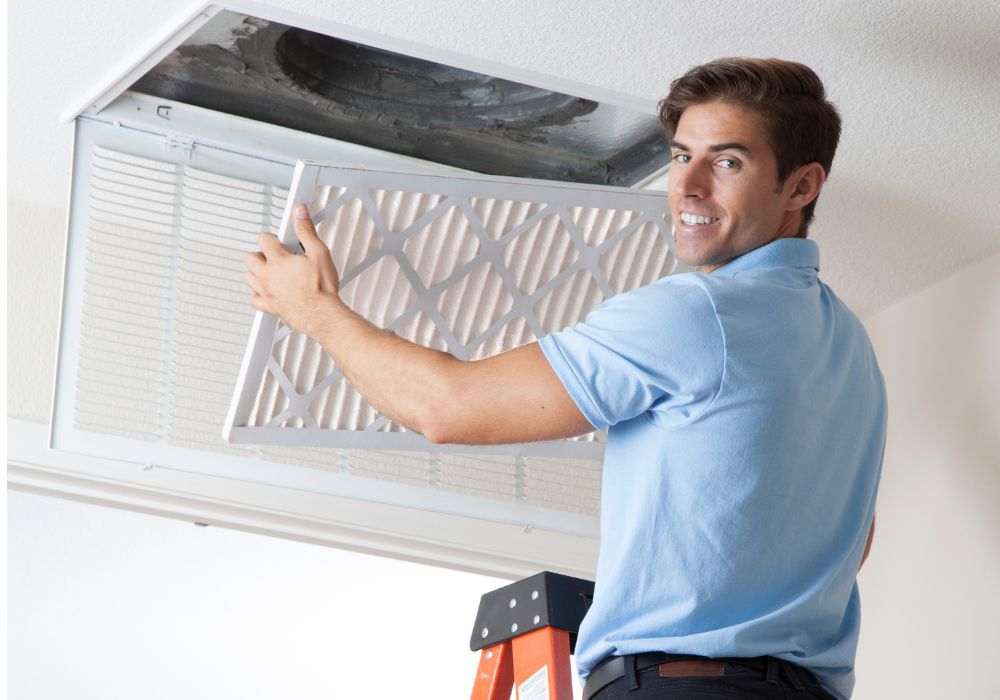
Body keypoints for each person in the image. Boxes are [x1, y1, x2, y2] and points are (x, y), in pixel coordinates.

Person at [243, 57, 886, 700]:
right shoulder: (851, 350)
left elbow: (447, 407)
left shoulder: (696, 312)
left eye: (726, 162)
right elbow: (851, 544)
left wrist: (314, 311)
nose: (686, 186)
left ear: (801, 187)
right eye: (680, 155)